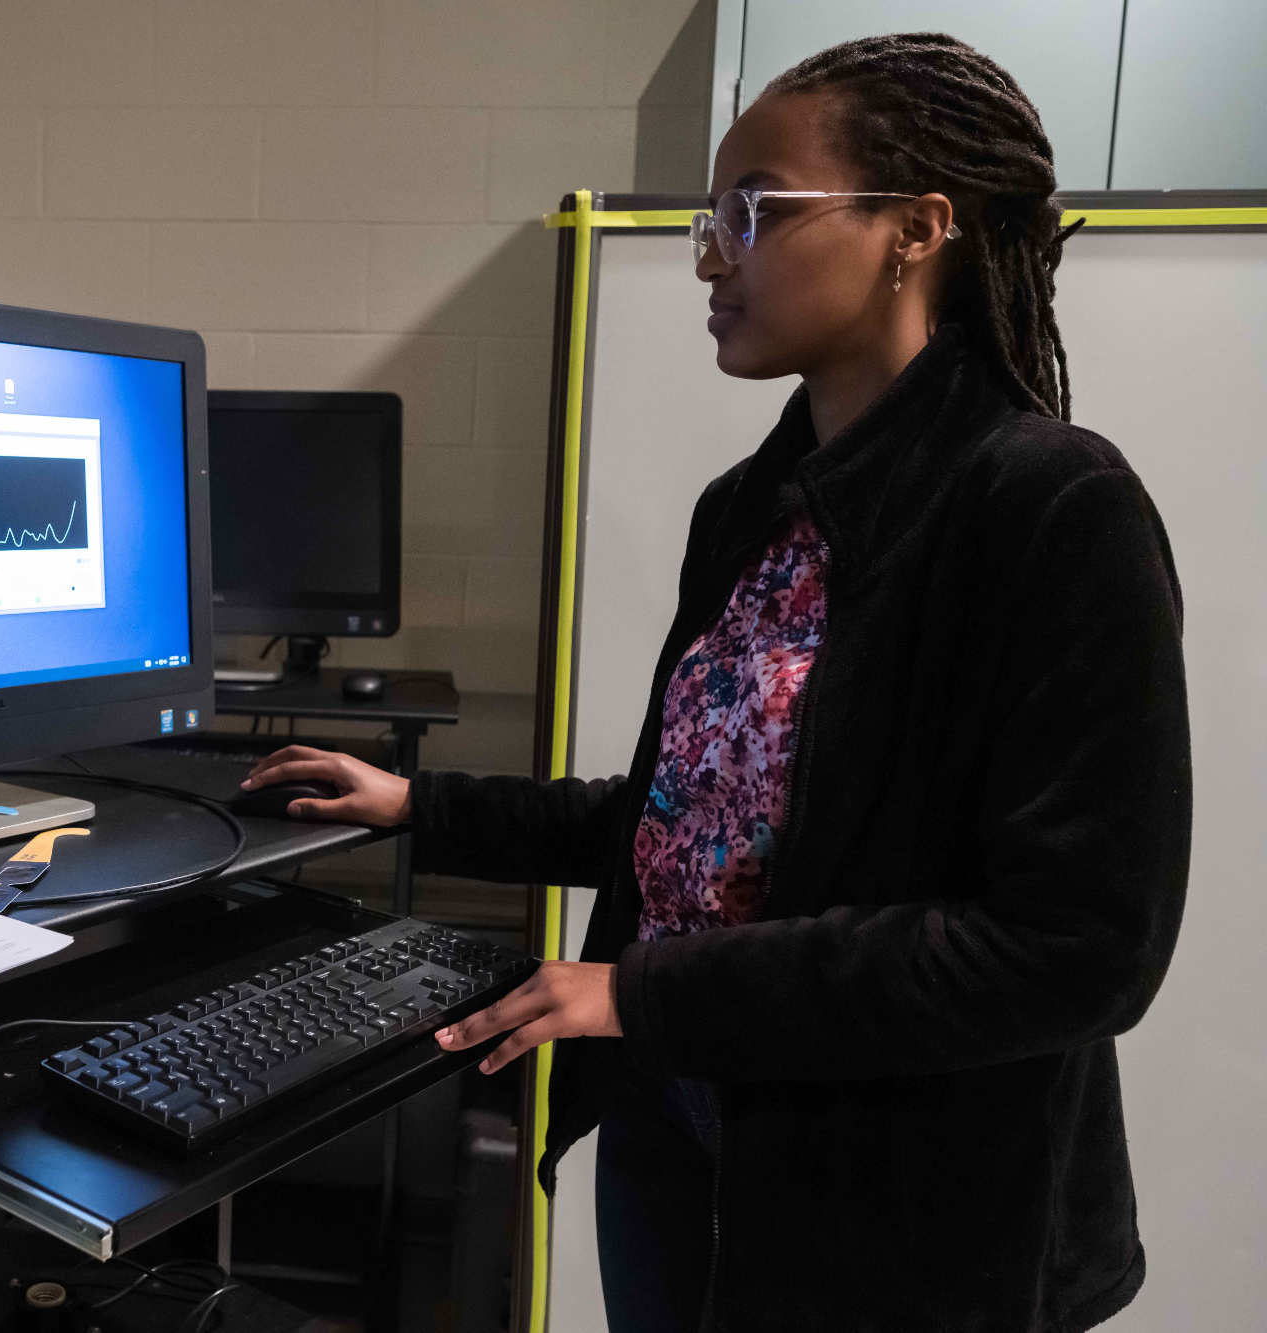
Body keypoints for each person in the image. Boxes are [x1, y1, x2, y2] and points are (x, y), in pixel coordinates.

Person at [242, 32, 1191, 1333]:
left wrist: (641, 990)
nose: (707, 253)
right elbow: (686, 824)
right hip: (673, 1117)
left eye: (753, 211)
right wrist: (416, 804)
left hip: (897, 1194)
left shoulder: (1051, 509)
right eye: (709, 215)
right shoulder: (750, 510)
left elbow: (1079, 949)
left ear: (915, 228)